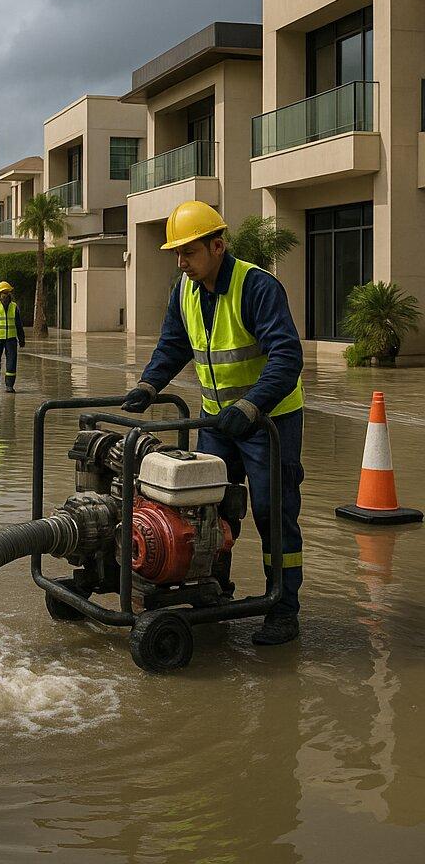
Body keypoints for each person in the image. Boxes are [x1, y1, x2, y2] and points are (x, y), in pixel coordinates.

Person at [121, 200, 305, 646]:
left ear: (217, 246)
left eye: (188, 252)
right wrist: (149, 384)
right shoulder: (185, 291)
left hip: (268, 424)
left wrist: (253, 406)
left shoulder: (257, 288)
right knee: (206, 506)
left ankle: (282, 609)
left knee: (271, 512)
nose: (180, 263)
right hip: (216, 422)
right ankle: (213, 591)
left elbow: (287, 356)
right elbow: (172, 345)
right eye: (177, 254)